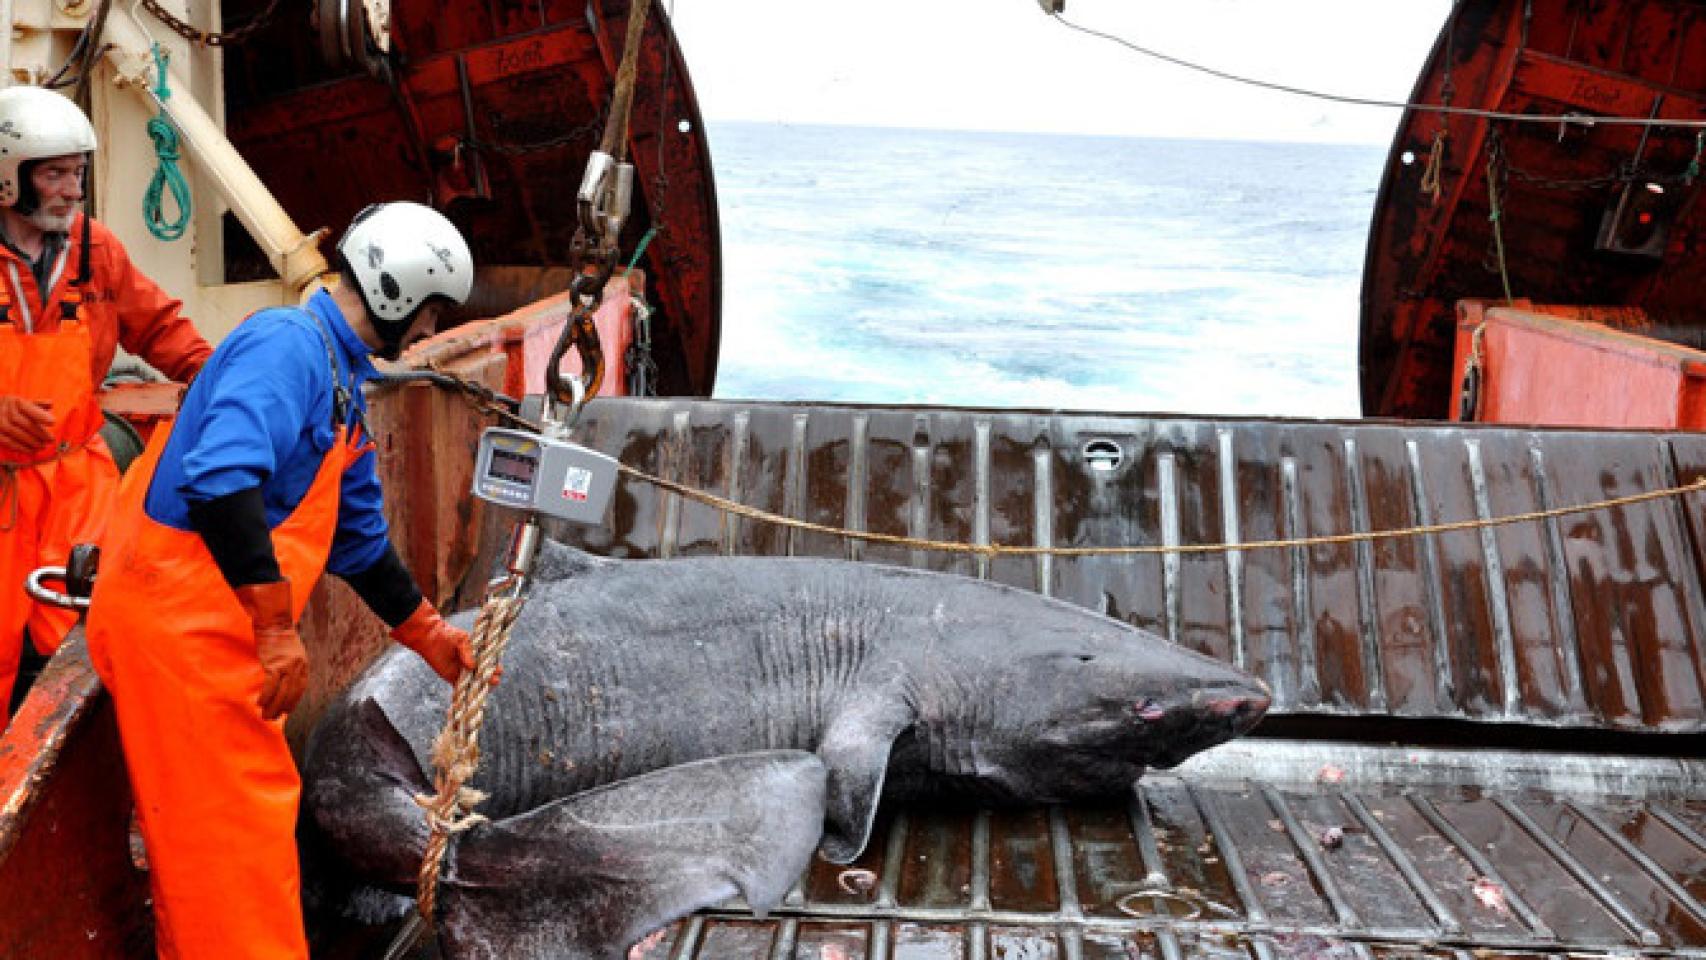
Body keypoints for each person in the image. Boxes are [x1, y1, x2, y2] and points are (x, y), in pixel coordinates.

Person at [85, 201, 479, 959]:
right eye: (432, 312)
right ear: (399, 292)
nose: (429, 331)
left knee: (242, 848)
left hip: (219, 638)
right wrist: (272, 628)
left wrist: (430, 634)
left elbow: (358, 542)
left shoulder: (343, 383)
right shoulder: (286, 347)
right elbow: (220, 480)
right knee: (228, 858)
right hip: (180, 636)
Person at [0, 85, 212, 726]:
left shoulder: (97, 251)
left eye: (78, 173)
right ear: (9, 178)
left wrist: (230, 387)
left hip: (78, 483)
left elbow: (165, 331)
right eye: (55, 175)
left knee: (87, 642)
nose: (72, 190)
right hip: (5, 489)